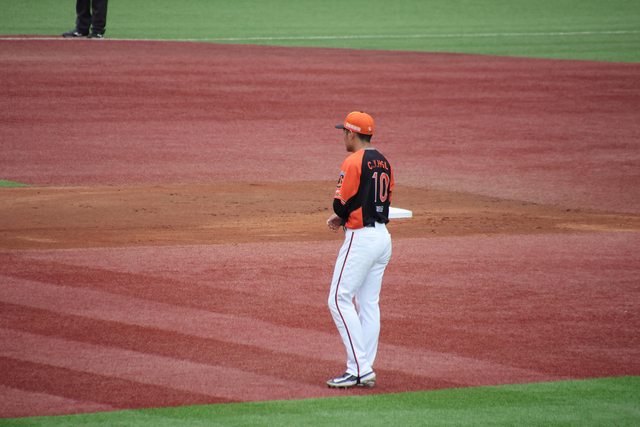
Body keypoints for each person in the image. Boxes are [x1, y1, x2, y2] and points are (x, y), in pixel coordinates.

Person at [326, 111, 394, 388]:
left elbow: (340, 204)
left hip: (362, 239)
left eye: (344, 132)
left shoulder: (353, 161)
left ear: (352, 133)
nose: (343, 136)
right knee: (368, 304)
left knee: (338, 299)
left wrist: (341, 216)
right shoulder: (384, 162)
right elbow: (380, 200)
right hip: (383, 239)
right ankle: (364, 365)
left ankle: (360, 368)